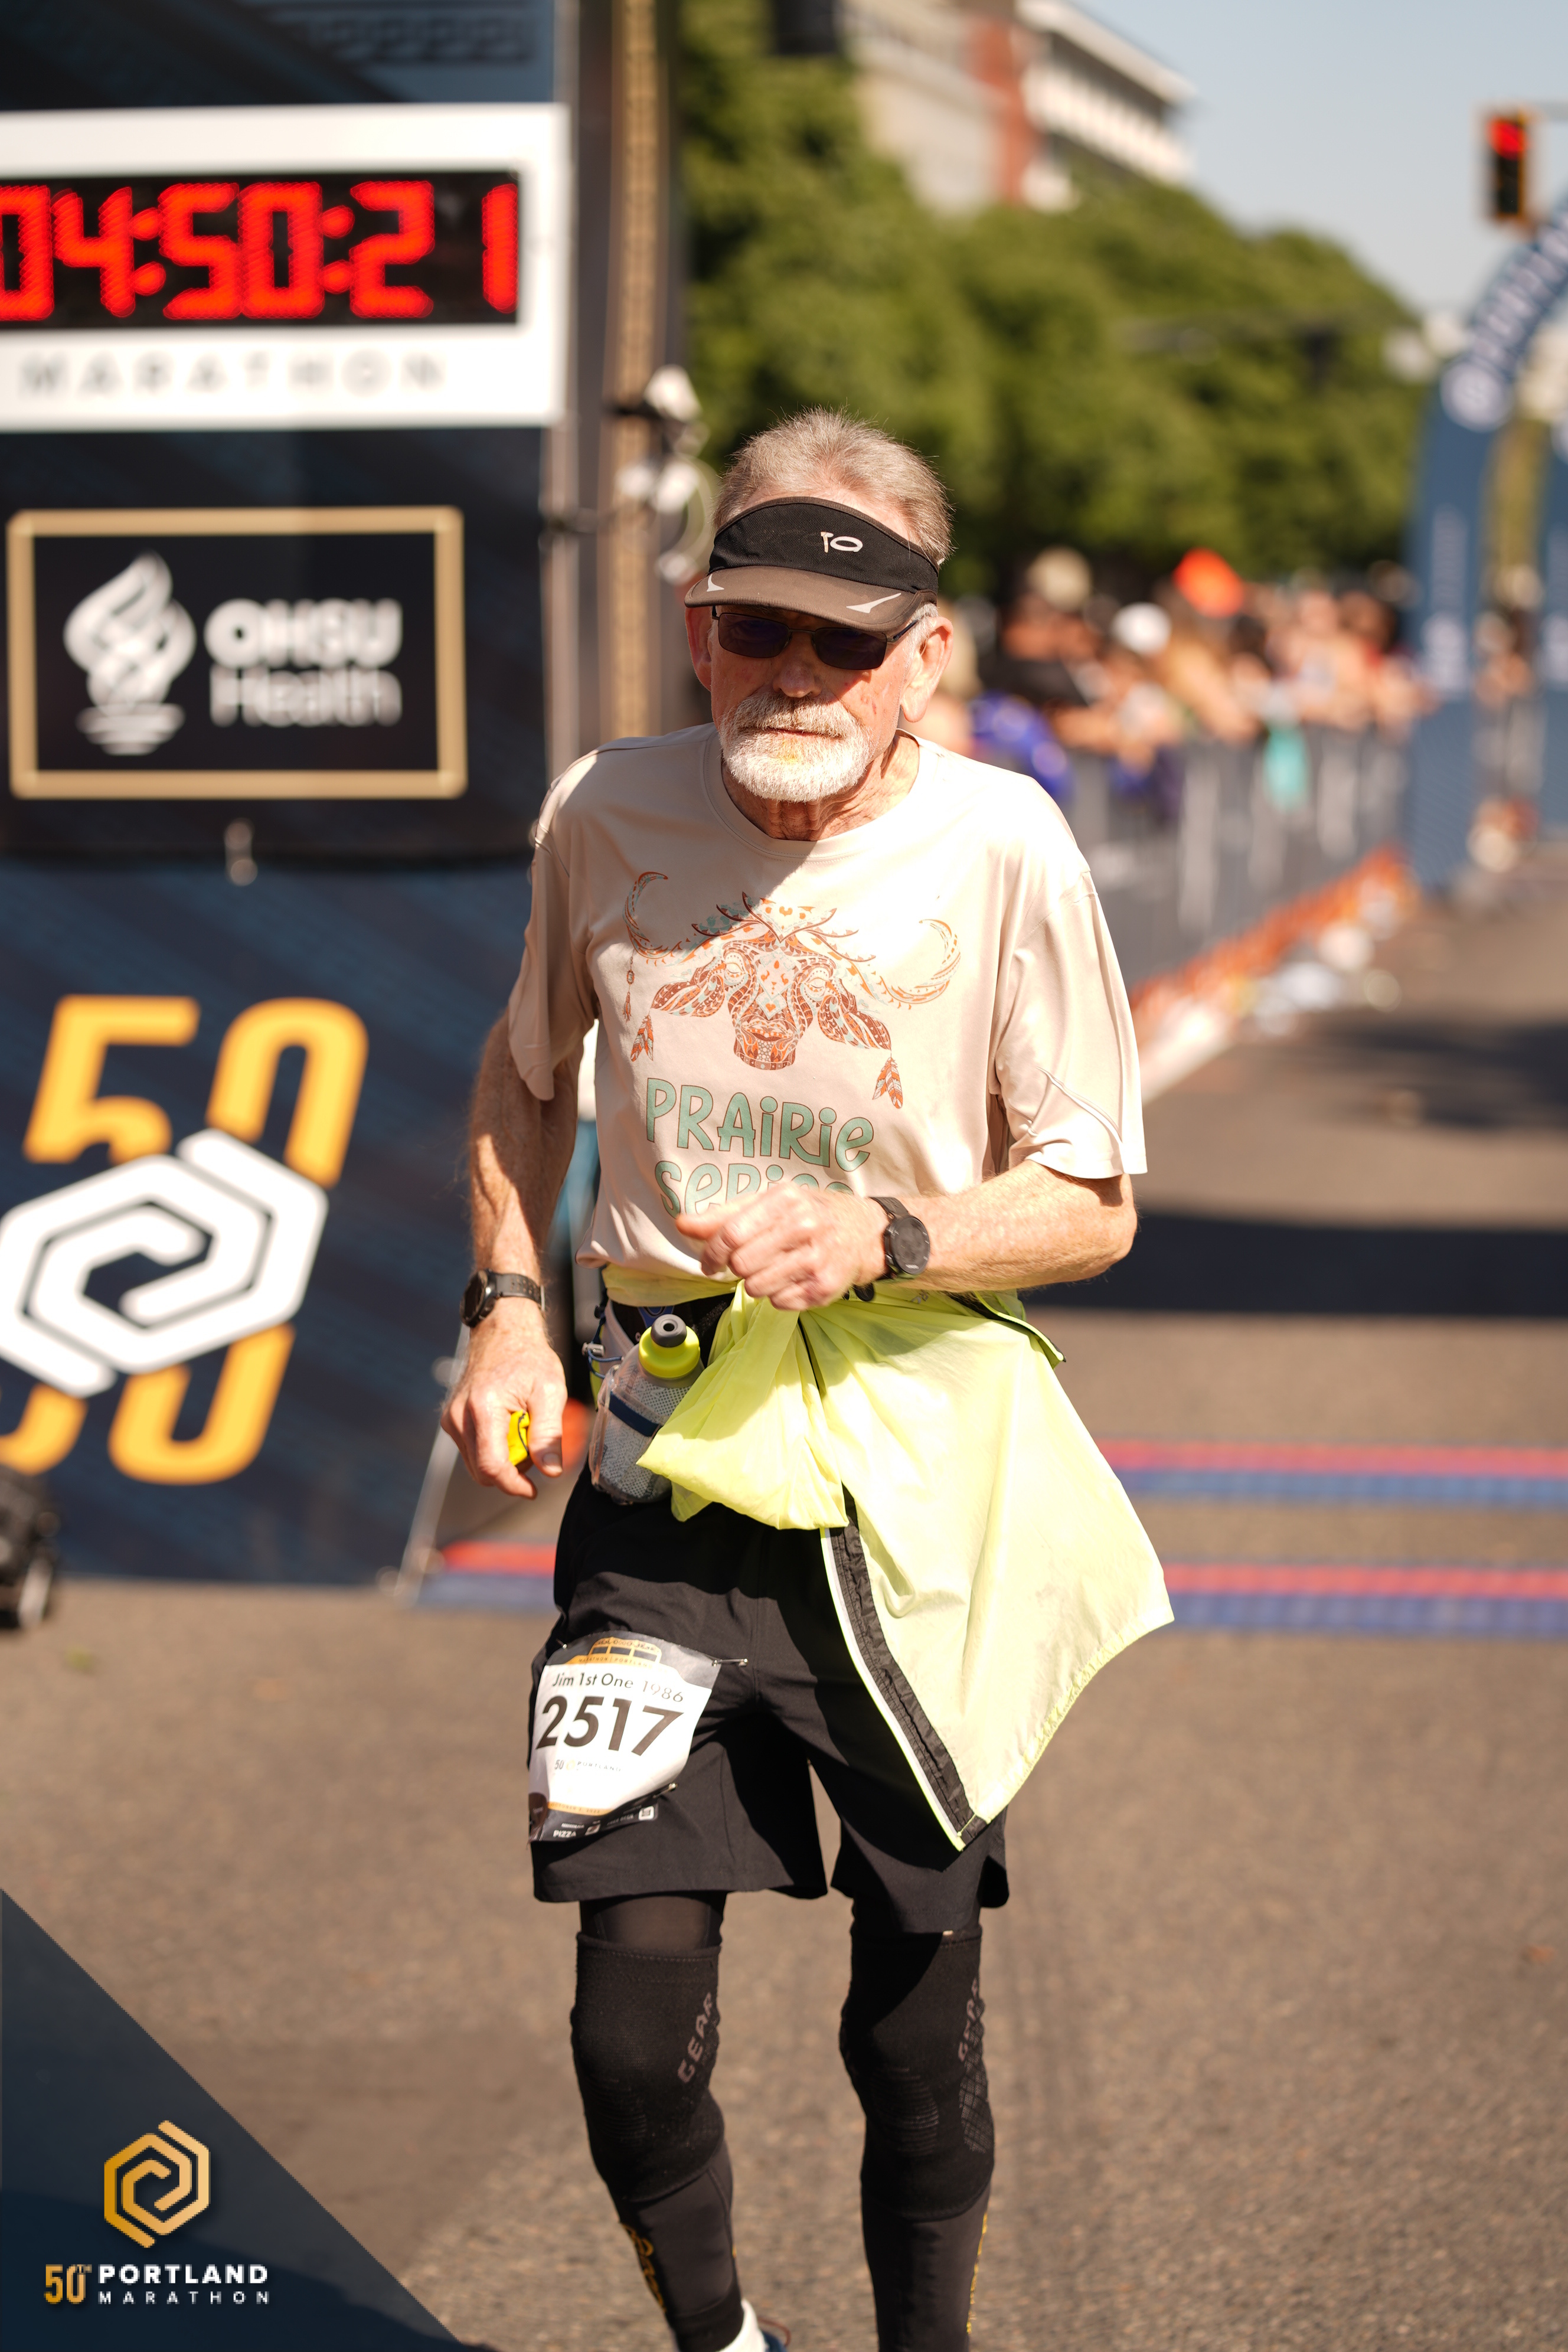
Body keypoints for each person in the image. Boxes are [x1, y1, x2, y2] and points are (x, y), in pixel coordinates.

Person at [443, 409, 1170, 2352]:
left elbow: (1094, 1196)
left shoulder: (1006, 842)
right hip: (667, 1462)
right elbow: (524, 1074)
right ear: (702, 634)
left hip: (910, 1485)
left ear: (923, 656)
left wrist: (889, 1237)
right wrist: (506, 1304)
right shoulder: (607, 810)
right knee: (628, 2027)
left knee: (912, 2024)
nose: (796, 675)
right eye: (757, 629)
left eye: (846, 642)